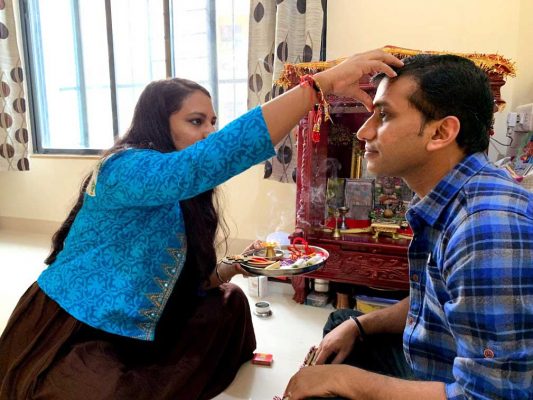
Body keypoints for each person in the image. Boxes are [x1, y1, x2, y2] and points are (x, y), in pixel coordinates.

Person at [0, 50, 403, 399]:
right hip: (84, 322)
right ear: (160, 123)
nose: (209, 132)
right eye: (196, 122)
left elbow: (182, 273)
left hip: (147, 315)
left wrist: (242, 265)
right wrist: (321, 85)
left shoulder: (187, 186)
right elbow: (210, 158)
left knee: (229, 306)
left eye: (212, 121)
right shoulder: (123, 168)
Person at [283, 54, 533, 399]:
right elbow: (431, 301)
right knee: (340, 327)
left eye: (383, 115)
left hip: (457, 385)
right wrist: (359, 324)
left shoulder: (486, 230)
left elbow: (491, 395)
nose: (363, 130)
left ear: (441, 132)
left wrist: (345, 382)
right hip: (432, 358)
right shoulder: (454, 196)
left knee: (328, 379)